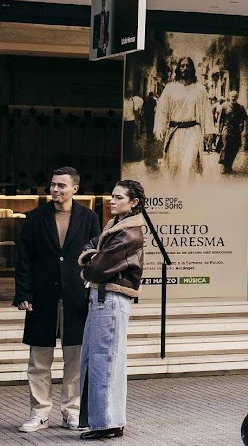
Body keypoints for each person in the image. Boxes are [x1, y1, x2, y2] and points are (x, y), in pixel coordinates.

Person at [14, 167, 100, 433]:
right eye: (53, 184)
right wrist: (23, 293)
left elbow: (95, 258)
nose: (55, 189)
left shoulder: (89, 218)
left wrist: (93, 292)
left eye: (62, 185)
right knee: (39, 362)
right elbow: (24, 258)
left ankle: (71, 412)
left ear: (75, 188)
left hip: (76, 298)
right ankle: (39, 413)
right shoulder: (34, 217)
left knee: (75, 361)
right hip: (42, 297)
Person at [76, 180, 146, 440]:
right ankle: (107, 421)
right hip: (104, 298)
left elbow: (96, 268)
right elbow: (90, 247)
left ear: (133, 202)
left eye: (118, 198)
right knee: (100, 360)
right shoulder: (115, 227)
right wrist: (93, 257)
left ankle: (107, 423)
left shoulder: (128, 233)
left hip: (111, 299)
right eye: (112, 196)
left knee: (104, 361)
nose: (112, 201)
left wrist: (90, 262)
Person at [154, 57, 212, 177]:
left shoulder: (200, 89)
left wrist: (208, 131)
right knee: (174, 168)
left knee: (188, 166)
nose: (185, 68)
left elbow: (206, 110)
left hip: (193, 131)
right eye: (182, 66)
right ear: (178, 69)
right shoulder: (170, 88)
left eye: (188, 66)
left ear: (192, 69)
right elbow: (162, 110)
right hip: (174, 132)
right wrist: (159, 127)